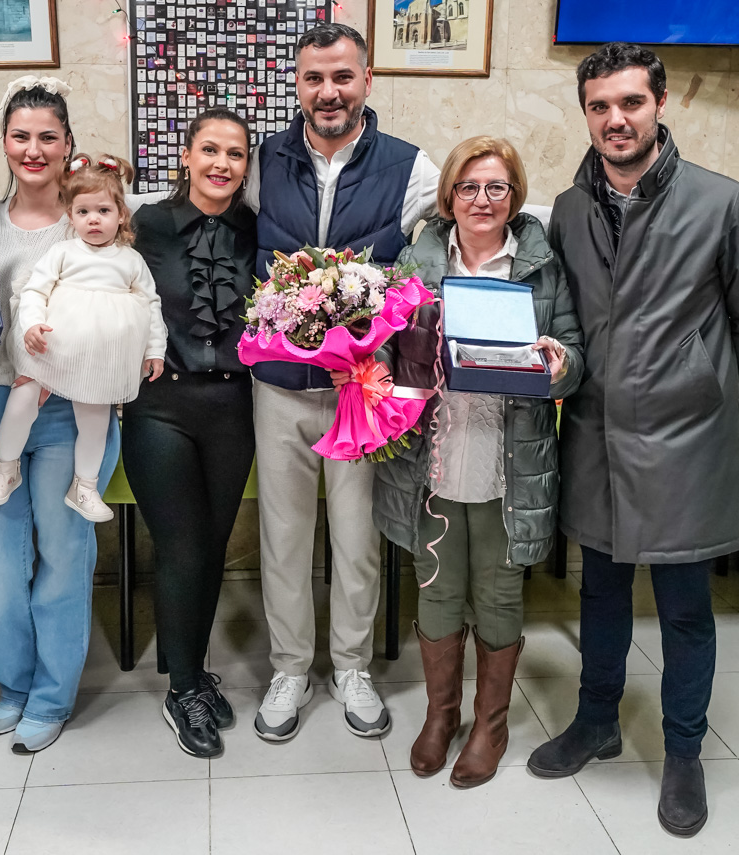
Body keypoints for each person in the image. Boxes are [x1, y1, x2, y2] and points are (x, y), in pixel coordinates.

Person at [525, 42, 739, 837]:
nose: (616, 119)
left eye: (630, 102)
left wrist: (700, 383)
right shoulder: (569, 208)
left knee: (684, 610)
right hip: (597, 434)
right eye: (600, 106)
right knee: (600, 593)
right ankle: (597, 718)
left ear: (661, 104)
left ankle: (683, 754)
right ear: (586, 113)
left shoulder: (724, 201)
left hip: (686, 441)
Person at [244, 22, 441, 743]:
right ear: (297, 85)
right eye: (313, 79)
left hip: (364, 389)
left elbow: (432, 266)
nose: (328, 93)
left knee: (357, 537)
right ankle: (291, 668)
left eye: (342, 77)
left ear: (367, 80)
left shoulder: (412, 168)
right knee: (284, 533)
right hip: (279, 383)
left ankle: (352, 666)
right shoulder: (262, 162)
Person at [371, 136, 584, 786]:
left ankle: (490, 725)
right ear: (450, 196)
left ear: (514, 196)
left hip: (507, 462)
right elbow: (383, 344)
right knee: (436, 590)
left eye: (496, 187)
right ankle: (442, 715)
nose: (482, 199)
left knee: (496, 592)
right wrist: (389, 368)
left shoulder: (542, 266)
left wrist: (559, 364)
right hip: (434, 457)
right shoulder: (418, 257)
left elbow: (575, 355)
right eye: (469, 187)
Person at [0, 77, 122, 756]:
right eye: (21, 135)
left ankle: (53, 695)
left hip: (70, 410)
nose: (34, 149)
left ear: (68, 146)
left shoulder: (93, 220)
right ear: (4, 141)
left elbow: (125, 310)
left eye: (48, 137)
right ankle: (15, 682)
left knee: (62, 556)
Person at [126, 108, 257, 758]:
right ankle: (183, 689)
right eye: (210, 149)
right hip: (161, 408)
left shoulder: (256, 231)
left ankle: (196, 672)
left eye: (235, 154)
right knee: (180, 547)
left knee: (210, 547)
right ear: (185, 154)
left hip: (235, 409)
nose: (222, 164)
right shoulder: (144, 223)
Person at [0, 154, 166, 521]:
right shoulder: (61, 252)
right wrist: (31, 325)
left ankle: (85, 486)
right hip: (54, 349)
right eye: (83, 212)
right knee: (23, 396)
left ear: (121, 214)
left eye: (103, 210)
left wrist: (155, 349)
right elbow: (34, 292)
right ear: (70, 217)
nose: (93, 219)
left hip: (101, 358)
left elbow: (150, 305)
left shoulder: (130, 261)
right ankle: (6, 467)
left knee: (95, 418)